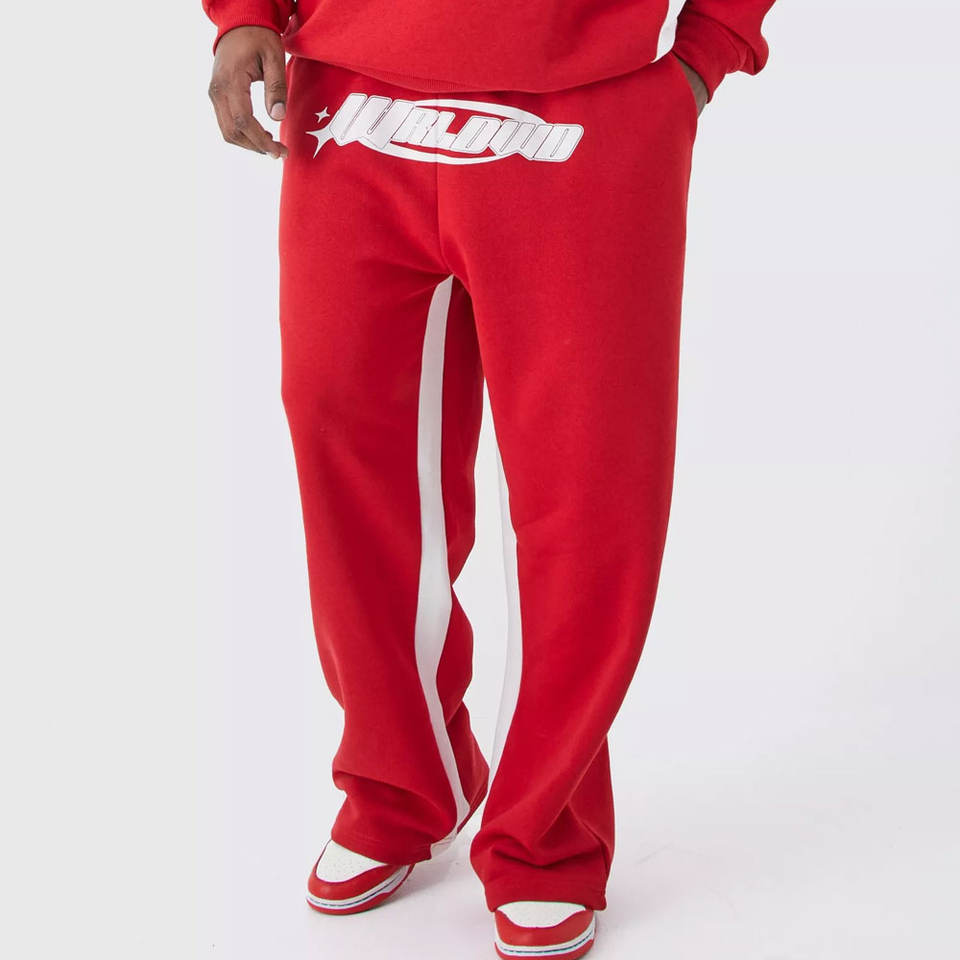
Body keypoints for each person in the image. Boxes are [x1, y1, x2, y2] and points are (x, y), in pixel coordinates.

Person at [203, 2, 776, 956]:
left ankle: (545, 831)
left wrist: (709, 51)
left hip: (586, 103)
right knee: (345, 444)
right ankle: (402, 779)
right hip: (350, 97)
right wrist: (242, 16)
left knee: (586, 485)